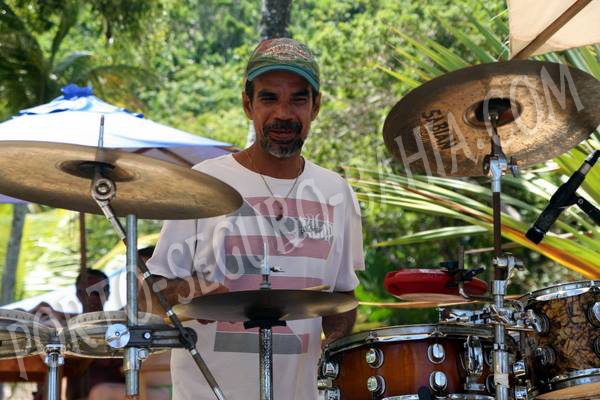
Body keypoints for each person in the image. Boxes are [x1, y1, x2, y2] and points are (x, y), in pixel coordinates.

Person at [142, 37, 365, 400]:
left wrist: (335, 350)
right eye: (268, 98)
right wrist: (196, 291)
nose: (283, 113)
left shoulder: (337, 192)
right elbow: (151, 296)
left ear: (316, 106)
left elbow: (341, 298)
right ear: (248, 104)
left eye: (298, 98)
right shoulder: (204, 183)